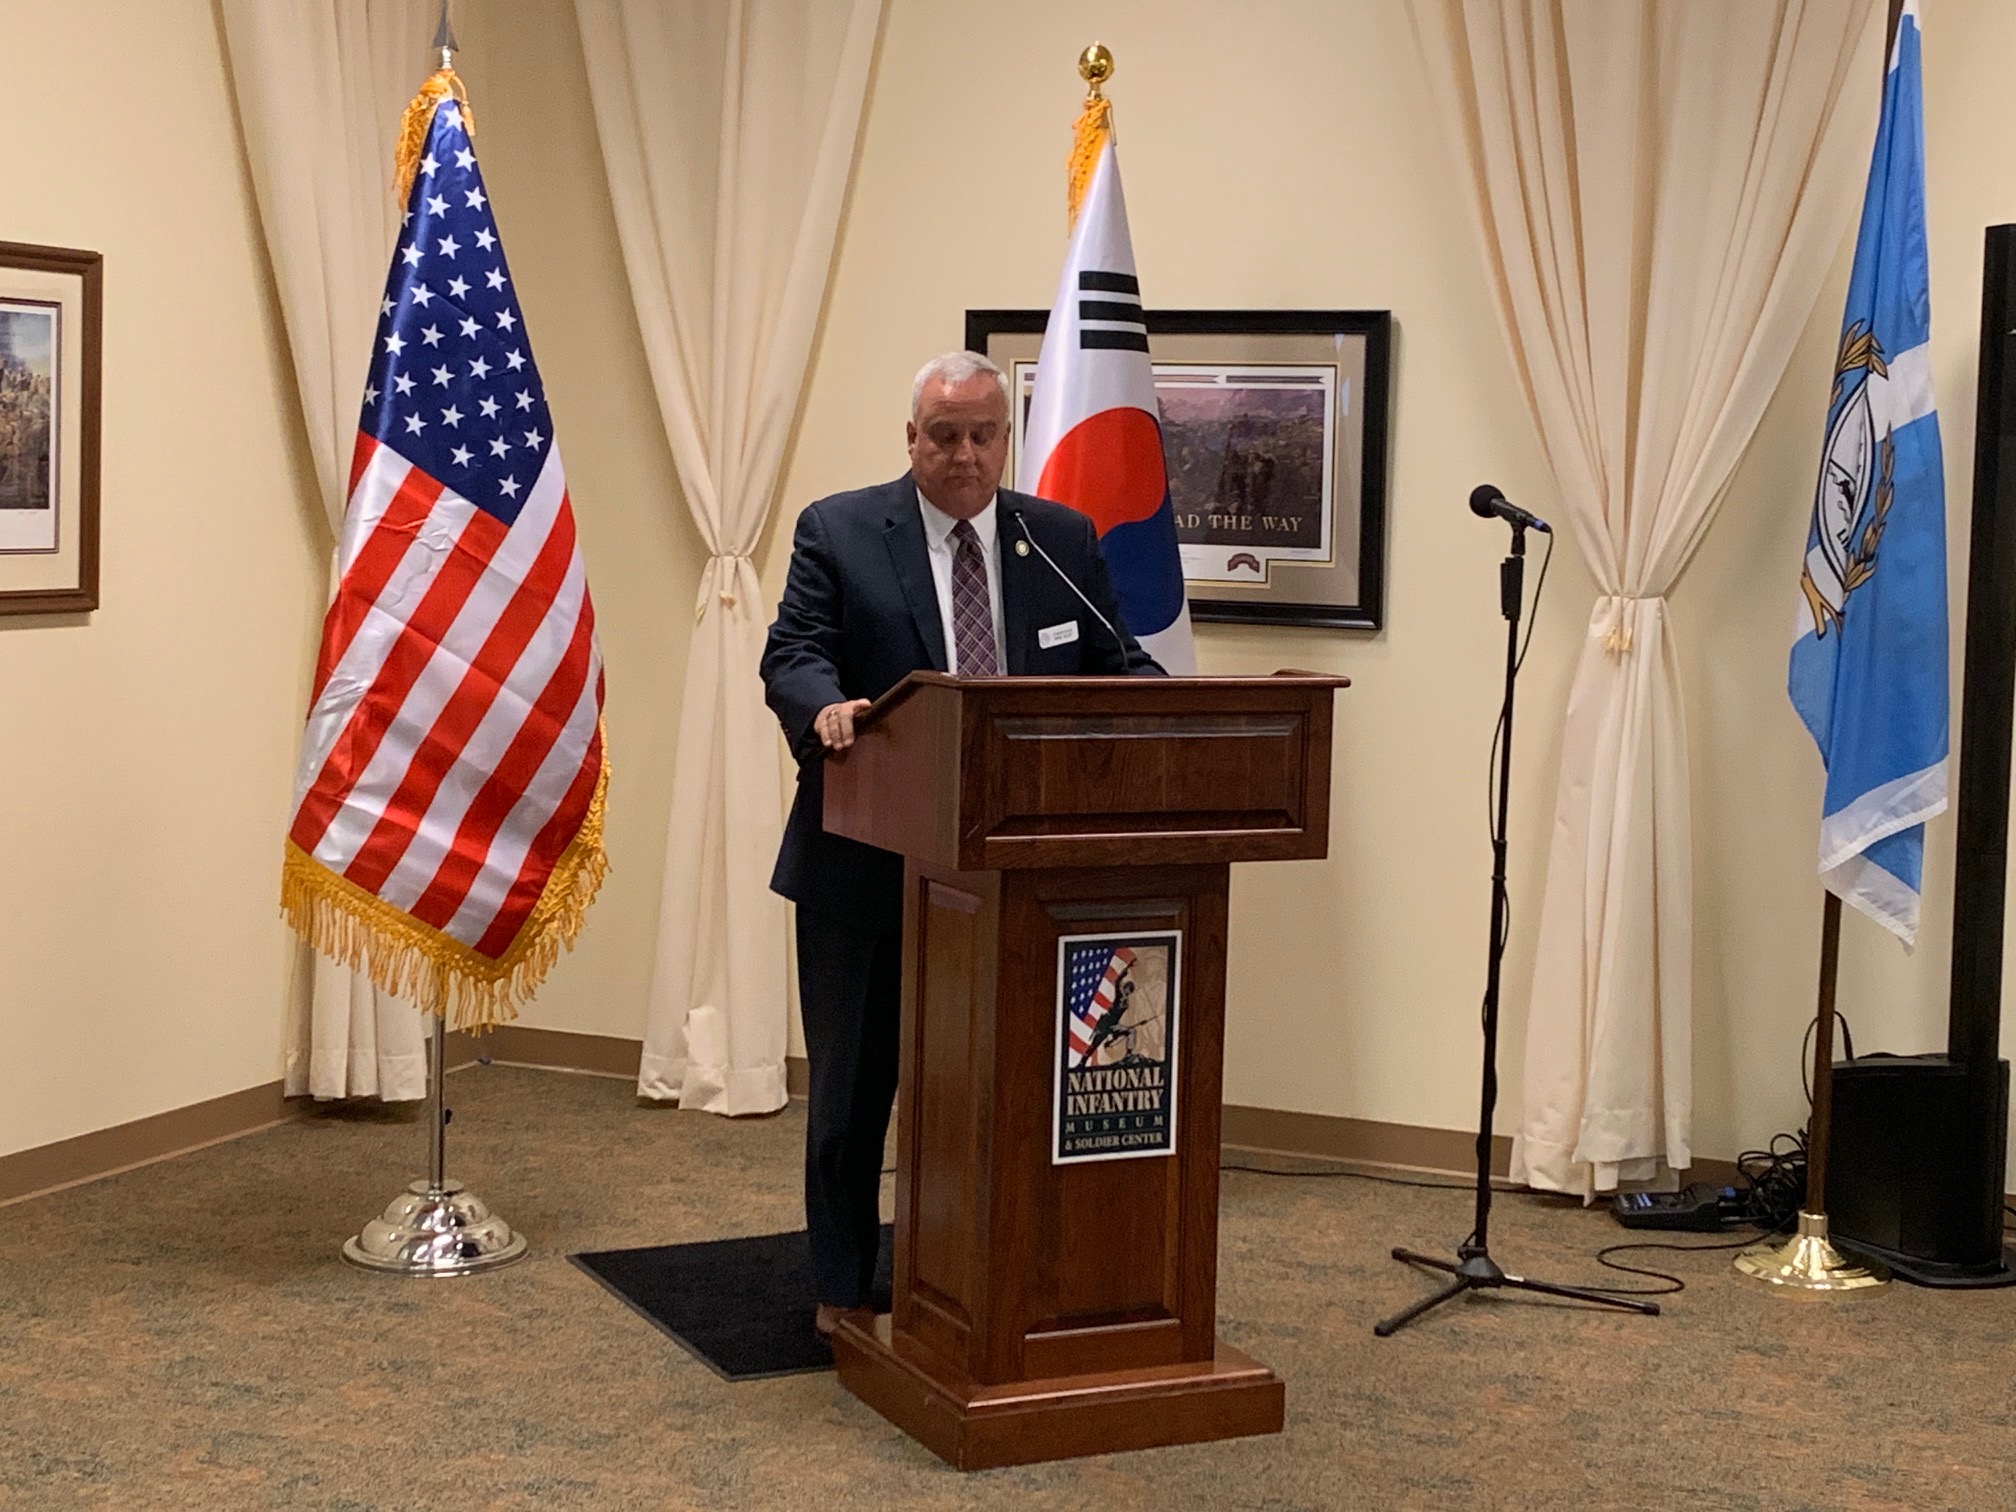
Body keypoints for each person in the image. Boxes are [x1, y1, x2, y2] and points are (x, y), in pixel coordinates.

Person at [761, 350, 1163, 1336]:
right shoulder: (840, 530)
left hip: (1016, 877)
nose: (966, 454)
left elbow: (1117, 664)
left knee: (1001, 1094)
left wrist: (1177, 712)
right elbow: (795, 653)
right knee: (853, 1096)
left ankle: (984, 1274)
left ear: (1005, 439)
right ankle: (843, 1288)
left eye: (984, 435)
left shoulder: (1057, 538)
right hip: (868, 863)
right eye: (945, 435)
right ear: (912, 438)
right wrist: (825, 708)